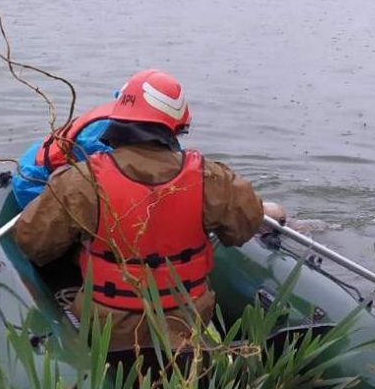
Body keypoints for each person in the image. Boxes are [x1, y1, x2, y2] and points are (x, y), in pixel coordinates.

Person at [14, 69, 282, 353]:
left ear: (118, 118)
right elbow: (245, 224)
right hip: (186, 321)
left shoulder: (81, 180)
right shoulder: (211, 178)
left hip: (107, 327)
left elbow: (33, 242)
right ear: (176, 126)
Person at [11, 70, 171, 208]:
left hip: (43, 164)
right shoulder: (100, 139)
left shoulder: (123, 122)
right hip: (34, 183)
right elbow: (106, 178)